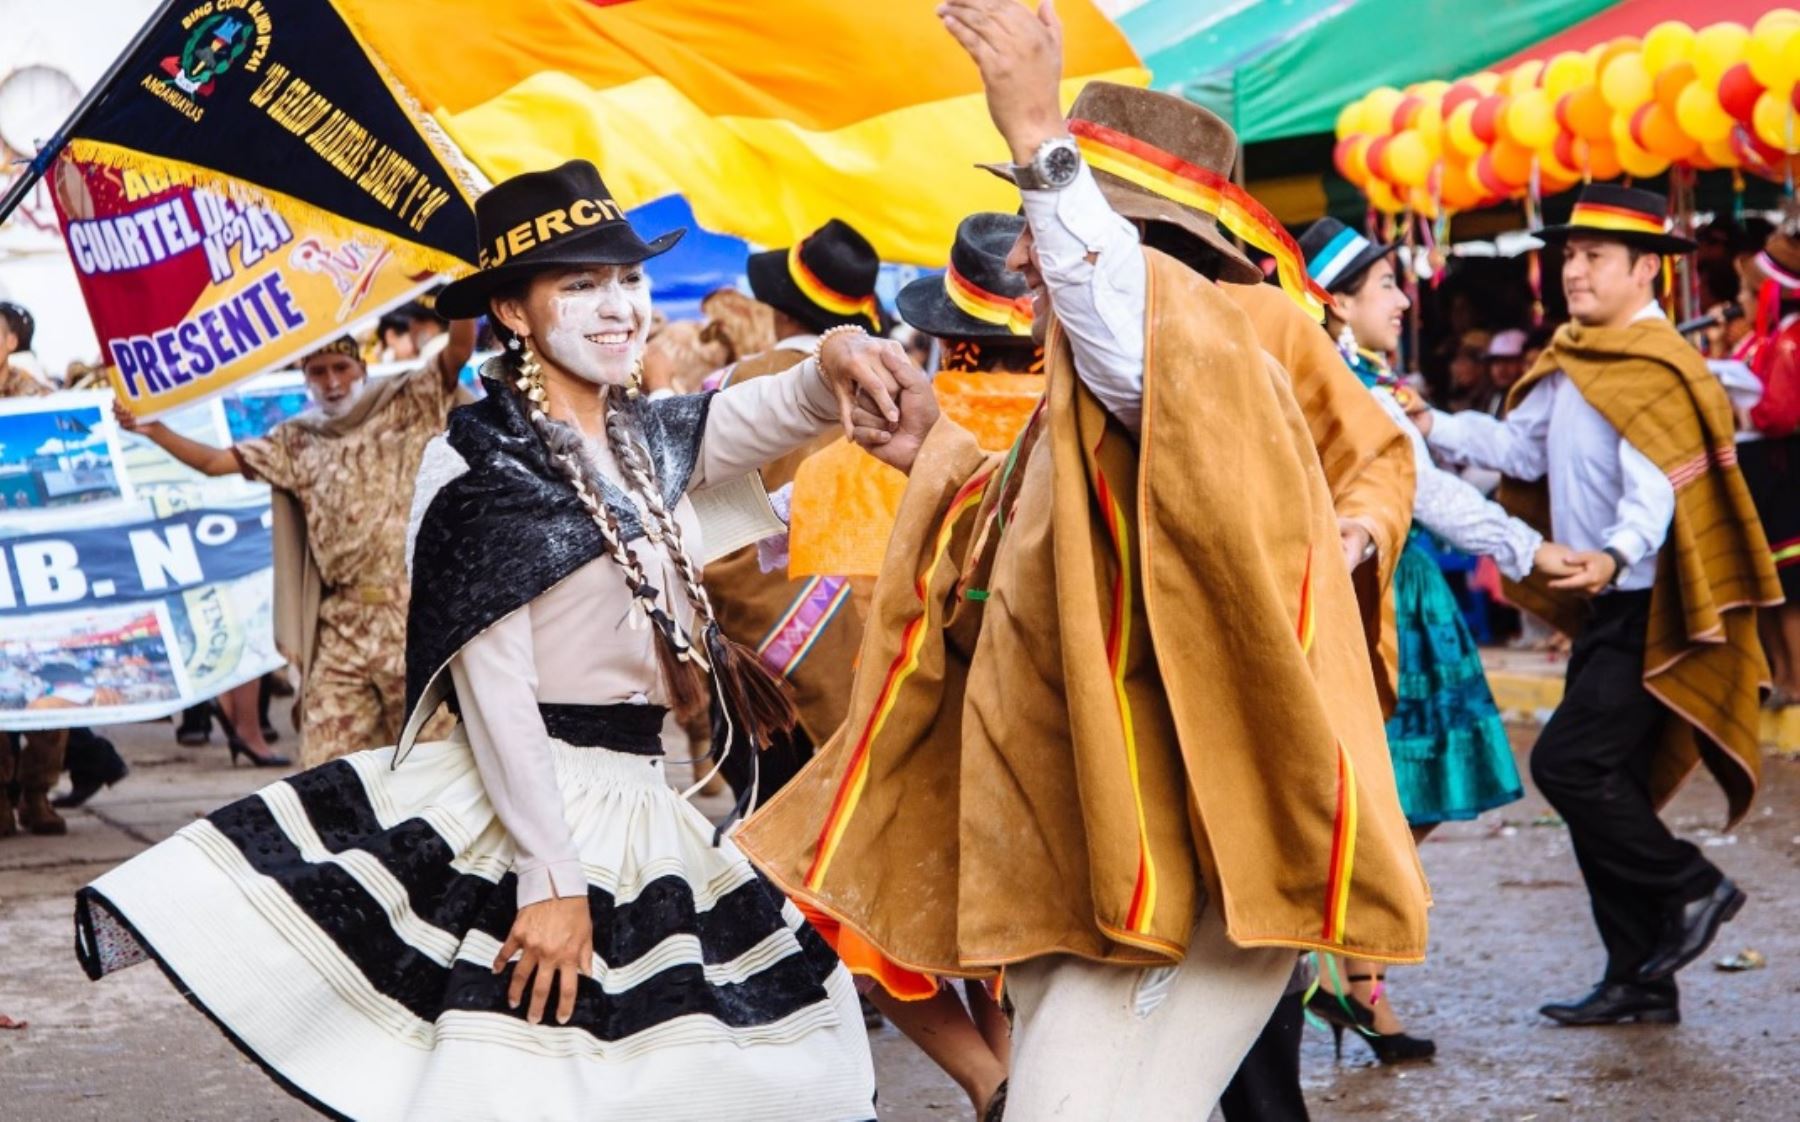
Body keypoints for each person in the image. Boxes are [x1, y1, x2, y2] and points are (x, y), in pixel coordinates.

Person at [75, 159, 880, 1120]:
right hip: (535, 798)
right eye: (579, 284)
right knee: (523, 1077)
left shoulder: (645, 440)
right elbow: (492, 685)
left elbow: (772, 409)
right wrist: (549, 879)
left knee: (790, 1053)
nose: (617, 305)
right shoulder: (474, 461)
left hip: (643, 801)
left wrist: (836, 360)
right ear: (513, 311)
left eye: (625, 279)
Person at [740, 4, 1428, 1116]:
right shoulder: (1093, 418)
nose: (1019, 257)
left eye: (1034, 226)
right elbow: (1008, 545)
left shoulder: (1203, 351)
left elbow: (1132, 318)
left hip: (1190, 870)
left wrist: (1036, 139)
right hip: (1101, 864)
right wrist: (932, 453)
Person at [1413, 184, 1781, 1026]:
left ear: (1644, 269)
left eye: (1593, 258)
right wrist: (1428, 420)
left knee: (1569, 767)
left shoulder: (1661, 370)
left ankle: (1696, 887)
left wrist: (1614, 553)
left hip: (1653, 606)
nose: (1573, 271)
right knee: (1604, 783)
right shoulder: (1573, 356)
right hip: (1610, 607)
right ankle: (1640, 976)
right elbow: (1517, 451)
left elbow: (1657, 492)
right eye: (1569, 255)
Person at [1297, 217, 1576, 1062]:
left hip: (1369, 591)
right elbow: (1425, 494)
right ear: (1336, 302)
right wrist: (1531, 549)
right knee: (1394, 803)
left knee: (1391, 805)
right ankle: (1344, 968)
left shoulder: (1346, 376)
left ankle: (1351, 975)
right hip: (1387, 600)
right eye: (1385, 285)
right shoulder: (1356, 387)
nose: (1405, 297)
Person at [116, 319, 475, 766]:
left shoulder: (407, 404)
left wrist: (462, 270)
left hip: (416, 618)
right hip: (341, 625)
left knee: (431, 766)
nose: (332, 382)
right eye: (318, 371)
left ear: (361, 367)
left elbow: (459, 347)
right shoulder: (296, 440)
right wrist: (154, 431)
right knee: (327, 766)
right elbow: (213, 462)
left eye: (340, 367)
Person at [700, 218, 886, 798]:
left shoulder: (729, 382)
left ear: (780, 310)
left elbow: (699, 515)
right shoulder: (888, 390)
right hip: (858, 636)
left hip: (753, 650)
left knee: (761, 813)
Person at [1727, 223, 1800, 706]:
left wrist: (1742, 405)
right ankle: (1778, 672)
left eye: (1748, 290)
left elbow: (1782, 412)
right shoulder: (1761, 340)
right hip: (1759, 471)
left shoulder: (1792, 340)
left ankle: (1796, 678)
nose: (1740, 300)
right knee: (1766, 584)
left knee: (1791, 583)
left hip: (1785, 470)